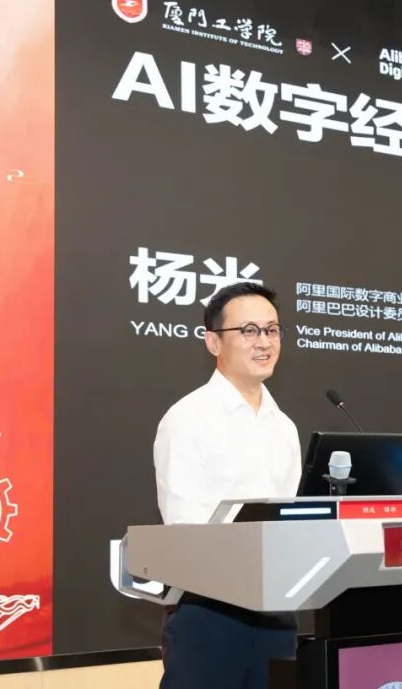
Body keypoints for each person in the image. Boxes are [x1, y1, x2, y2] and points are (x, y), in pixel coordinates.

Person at [153, 281, 301, 689]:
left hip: (275, 611)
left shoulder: (284, 427)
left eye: (272, 330)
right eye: (249, 330)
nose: (264, 342)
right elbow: (183, 526)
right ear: (213, 342)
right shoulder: (187, 419)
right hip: (209, 613)